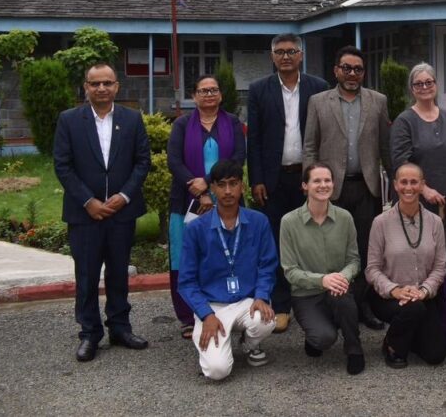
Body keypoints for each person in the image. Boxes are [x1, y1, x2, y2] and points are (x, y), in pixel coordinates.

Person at [53, 62, 151, 362]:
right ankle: (89, 333)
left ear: (116, 86)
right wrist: (88, 201)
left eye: (107, 83)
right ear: (86, 87)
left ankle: (120, 327)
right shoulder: (69, 120)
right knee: (86, 276)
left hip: (122, 212)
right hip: (85, 215)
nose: (101, 89)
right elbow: (63, 165)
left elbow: (142, 161)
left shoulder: (132, 119)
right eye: (95, 84)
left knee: (119, 273)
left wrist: (123, 196)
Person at [303, 45, 391, 331]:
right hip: (332, 189)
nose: (352, 74)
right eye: (347, 68)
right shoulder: (318, 102)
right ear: (336, 70)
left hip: (367, 187)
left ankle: (363, 305)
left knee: (365, 250)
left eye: (358, 69)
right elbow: (310, 146)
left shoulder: (378, 101)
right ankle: (335, 306)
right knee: (334, 250)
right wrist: (311, 185)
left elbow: (386, 149)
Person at [247, 32, 328, 332]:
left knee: (313, 238)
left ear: (301, 55)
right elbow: (253, 139)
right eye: (279, 52)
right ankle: (280, 303)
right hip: (273, 179)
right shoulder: (259, 90)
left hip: (308, 178)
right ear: (272, 56)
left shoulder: (318, 88)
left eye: (291, 51)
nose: (285, 56)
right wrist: (256, 178)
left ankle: (315, 302)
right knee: (277, 241)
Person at [178, 160, 278, 381]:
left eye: (233, 184)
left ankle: (248, 344)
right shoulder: (196, 229)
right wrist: (206, 315)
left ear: (242, 186)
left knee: (267, 319)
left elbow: (268, 264)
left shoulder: (259, 221)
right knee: (217, 372)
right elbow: (186, 281)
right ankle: (216, 347)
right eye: (221, 185)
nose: (228, 191)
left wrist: (261, 296)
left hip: (246, 301)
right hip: (212, 304)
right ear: (212, 188)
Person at [166, 74, 245, 338]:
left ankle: (229, 308)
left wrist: (210, 184)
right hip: (186, 198)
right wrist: (194, 184)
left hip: (226, 196)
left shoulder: (232, 123)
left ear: (221, 95)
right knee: (184, 257)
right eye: (203, 90)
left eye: (214, 90)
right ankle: (189, 316)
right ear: (194, 95)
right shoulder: (181, 124)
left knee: (227, 254)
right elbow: (173, 160)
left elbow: (238, 157)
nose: (209, 94)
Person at [279, 163, 365, 375]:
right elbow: (290, 271)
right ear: (305, 186)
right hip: (306, 295)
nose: (323, 185)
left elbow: (354, 260)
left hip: (338, 290)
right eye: (316, 181)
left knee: (344, 298)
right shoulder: (289, 222)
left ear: (333, 185)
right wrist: (322, 280)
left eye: (327, 180)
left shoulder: (344, 218)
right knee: (324, 338)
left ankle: (354, 349)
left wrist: (342, 277)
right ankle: (316, 333)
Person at [365, 163, 446, 369]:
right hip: (388, 297)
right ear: (395, 185)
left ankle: (409, 334)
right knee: (413, 310)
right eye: (403, 182)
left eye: (414, 182)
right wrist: (396, 290)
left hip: (422, 296)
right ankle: (392, 345)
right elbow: (372, 269)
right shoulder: (380, 222)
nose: (408, 187)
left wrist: (424, 290)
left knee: (436, 355)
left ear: (422, 185)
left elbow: (440, 267)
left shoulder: (435, 222)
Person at [390, 62, 446, 259]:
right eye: (418, 84)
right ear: (412, 89)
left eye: (429, 82)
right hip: (416, 202)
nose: (424, 87)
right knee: (420, 258)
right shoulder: (404, 121)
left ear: (436, 85)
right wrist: (424, 190)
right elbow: (401, 163)